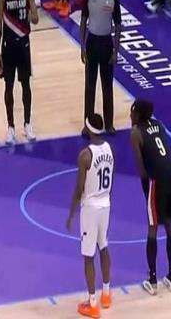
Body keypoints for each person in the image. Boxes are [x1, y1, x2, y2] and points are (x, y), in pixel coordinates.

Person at [130, 99, 171, 295]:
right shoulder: (159, 124)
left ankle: (152, 280)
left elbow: (142, 170)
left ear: (137, 114)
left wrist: (147, 193)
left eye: (132, 111)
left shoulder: (135, 133)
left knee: (152, 225)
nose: (130, 115)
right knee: (168, 222)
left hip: (157, 178)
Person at [66, 114, 113, 319]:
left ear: (89, 130)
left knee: (88, 256)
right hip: (106, 203)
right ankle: (107, 294)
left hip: (91, 208)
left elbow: (79, 188)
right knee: (104, 247)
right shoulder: (110, 149)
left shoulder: (85, 155)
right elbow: (112, 178)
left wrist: (71, 214)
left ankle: (92, 304)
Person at [0, 0, 39, 144]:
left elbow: (36, 19)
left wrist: (31, 12)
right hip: (8, 46)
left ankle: (27, 124)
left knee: (25, 85)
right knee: (8, 86)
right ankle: (10, 127)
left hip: (23, 44)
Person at [80, 0, 121, 136]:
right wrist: (82, 47)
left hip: (106, 44)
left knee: (107, 86)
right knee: (89, 87)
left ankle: (109, 124)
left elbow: (118, 26)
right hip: (92, 43)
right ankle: (87, 124)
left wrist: (116, 51)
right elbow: (83, 22)